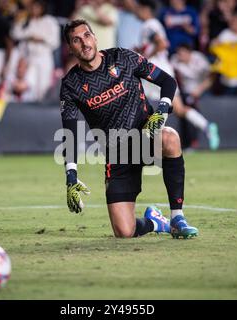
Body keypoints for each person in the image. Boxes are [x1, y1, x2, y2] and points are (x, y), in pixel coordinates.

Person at [60, 19, 199, 239]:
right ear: (70, 48)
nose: (84, 43)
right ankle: (155, 222)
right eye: (76, 40)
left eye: (87, 36)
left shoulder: (122, 58)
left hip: (146, 135)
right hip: (117, 155)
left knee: (170, 138)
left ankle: (177, 217)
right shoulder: (71, 84)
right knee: (124, 232)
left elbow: (168, 81)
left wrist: (161, 112)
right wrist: (71, 175)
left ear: (95, 37)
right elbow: (69, 131)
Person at [136, 0, 219, 150]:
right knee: (178, 109)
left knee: (138, 102)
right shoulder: (153, 25)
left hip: (154, 71)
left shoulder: (150, 25)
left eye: (139, 9)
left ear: (145, 9)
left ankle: (144, 144)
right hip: (162, 70)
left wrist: (145, 58)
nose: (137, 12)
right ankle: (206, 126)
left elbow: (162, 44)